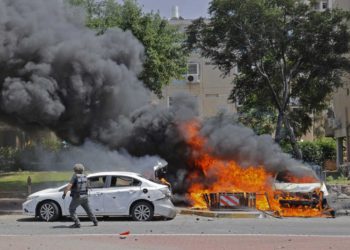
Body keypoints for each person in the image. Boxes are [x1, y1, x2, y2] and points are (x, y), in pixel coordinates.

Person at [62, 163, 98, 228]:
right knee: (88, 210)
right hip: (85, 196)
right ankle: (95, 221)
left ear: (75, 169)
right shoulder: (84, 175)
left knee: (71, 209)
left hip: (77, 196)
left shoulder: (75, 176)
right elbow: (88, 186)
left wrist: (64, 193)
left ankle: (77, 223)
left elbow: (70, 185)